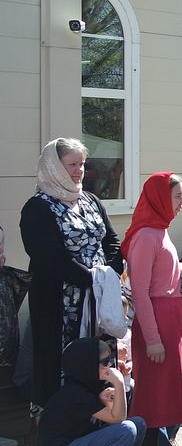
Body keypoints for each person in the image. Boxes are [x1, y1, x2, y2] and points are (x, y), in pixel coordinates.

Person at [20, 137, 124, 407]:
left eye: (82, 164)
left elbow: (111, 240)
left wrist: (111, 273)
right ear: (54, 167)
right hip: (60, 303)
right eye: (72, 165)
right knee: (62, 363)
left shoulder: (91, 200)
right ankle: (65, 419)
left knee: (98, 360)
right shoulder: (38, 207)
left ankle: (101, 415)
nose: (79, 170)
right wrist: (91, 279)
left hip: (97, 299)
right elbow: (49, 256)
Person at [123, 172, 182, 446]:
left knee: (163, 395)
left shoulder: (160, 231)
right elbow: (140, 291)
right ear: (161, 198)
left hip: (169, 318)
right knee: (152, 395)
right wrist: (152, 339)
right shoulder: (147, 235)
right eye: (177, 196)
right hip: (157, 321)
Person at [38, 337, 148, 446]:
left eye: (110, 360)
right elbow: (118, 419)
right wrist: (119, 383)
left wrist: (107, 400)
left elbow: (113, 419)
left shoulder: (89, 386)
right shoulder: (75, 392)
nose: (109, 365)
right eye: (104, 362)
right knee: (126, 430)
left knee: (138, 423)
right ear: (87, 365)